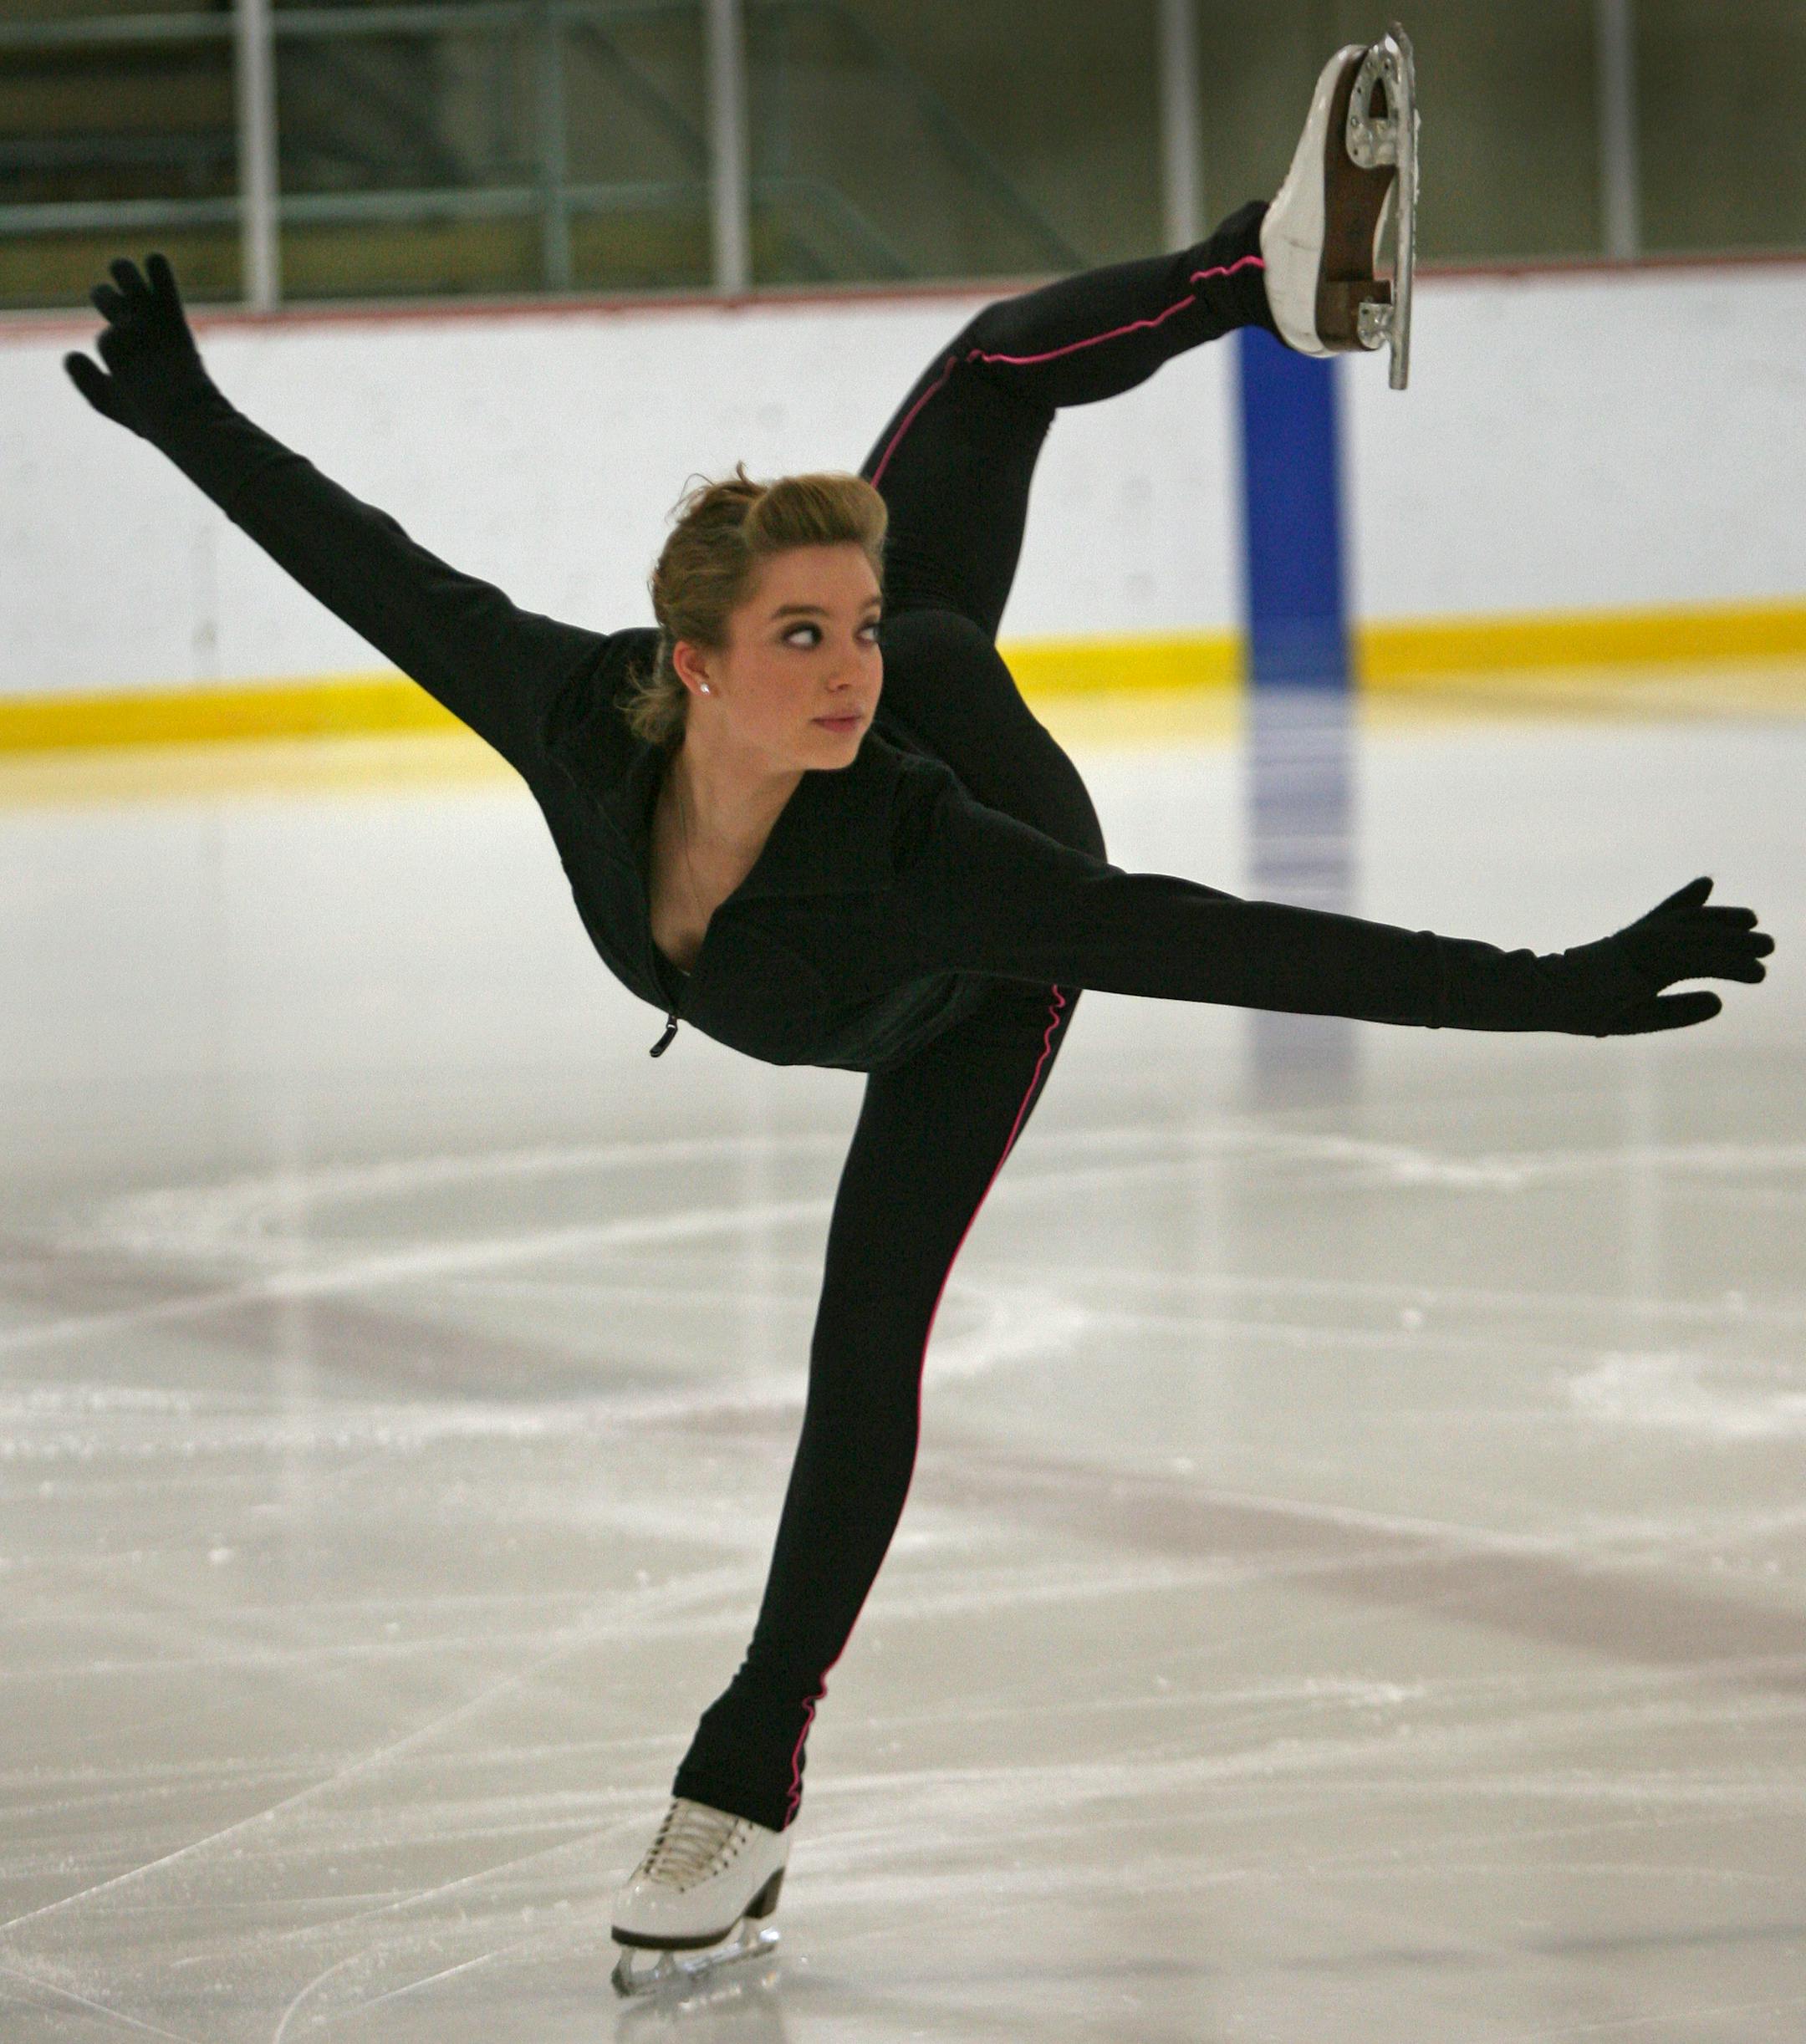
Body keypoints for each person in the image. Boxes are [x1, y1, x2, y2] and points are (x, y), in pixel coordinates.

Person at [64, 35, 1771, 1999]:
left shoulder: (932, 850)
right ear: (686, 667)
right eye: (807, 633)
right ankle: (1263, 271)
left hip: (986, 927)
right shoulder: (576, 720)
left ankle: (739, 1768)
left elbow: (1203, 937)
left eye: (848, 625)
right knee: (981, 382)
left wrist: (1543, 995)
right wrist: (189, 418)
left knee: (862, 1339)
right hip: (885, 814)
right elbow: (378, 571)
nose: (843, 663)